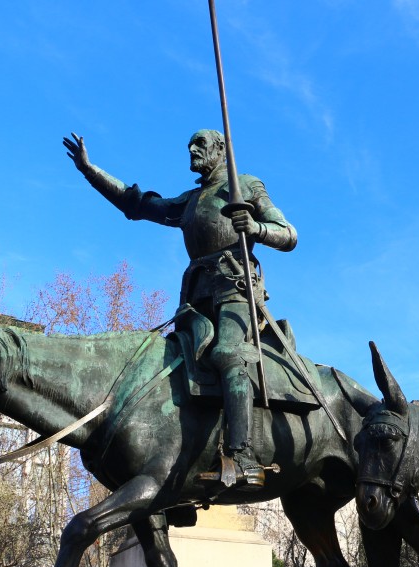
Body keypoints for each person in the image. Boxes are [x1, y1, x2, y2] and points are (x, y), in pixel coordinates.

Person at [63, 130, 297, 487]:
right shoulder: (190, 200)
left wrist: (256, 227)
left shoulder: (246, 185)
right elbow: (138, 204)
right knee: (163, 364)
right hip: (195, 297)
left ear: (221, 149)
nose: (191, 149)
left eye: (200, 144)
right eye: (190, 144)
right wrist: (89, 170)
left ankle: (244, 457)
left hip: (235, 291)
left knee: (229, 353)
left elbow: (288, 234)